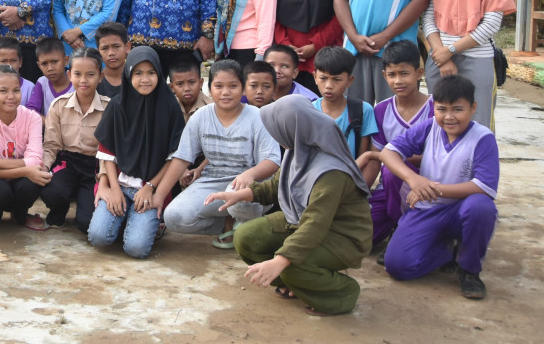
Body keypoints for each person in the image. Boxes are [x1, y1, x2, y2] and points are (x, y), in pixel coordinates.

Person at [213, 96, 373, 316]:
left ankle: (341, 294)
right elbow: (278, 184)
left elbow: (315, 224)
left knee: (292, 265)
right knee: (247, 238)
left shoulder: (331, 172)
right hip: (299, 220)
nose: (275, 134)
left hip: (341, 235)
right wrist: (242, 194)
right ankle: (300, 284)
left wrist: (281, 260)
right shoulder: (298, 148)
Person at [380, 75, 499, 300]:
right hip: (426, 209)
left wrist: (434, 189)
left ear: (473, 107)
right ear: (434, 107)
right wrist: (413, 179)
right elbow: (388, 152)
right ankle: (446, 251)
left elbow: (485, 186)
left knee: (481, 207)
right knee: (398, 266)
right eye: (442, 109)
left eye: (458, 109)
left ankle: (469, 269)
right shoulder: (430, 127)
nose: (449, 117)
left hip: (460, 210)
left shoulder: (483, 138)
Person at [154, 61, 281, 250]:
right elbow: (182, 158)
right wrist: (160, 194)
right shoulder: (201, 117)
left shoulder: (257, 117)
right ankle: (228, 225)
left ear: (243, 88)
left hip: (250, 185)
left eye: (233, 86)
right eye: (219, 86)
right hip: (212, 181)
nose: (225, 92)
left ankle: (249, 225)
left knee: (237, 198)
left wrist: (250, 174)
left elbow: (272, 161)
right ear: (210, 88)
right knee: (174, 217)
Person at [88, 47, 185, 259]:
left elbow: (174, 156)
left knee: (136, 249)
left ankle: (147, 224)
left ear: (159, 74)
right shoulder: (117, 105)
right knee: (98, 237)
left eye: (151, 73)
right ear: (128, 74)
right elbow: (107, 153)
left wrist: (150, 187)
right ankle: (130, 221)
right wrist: (113, 189)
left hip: (150, 188)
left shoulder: (170, 107)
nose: (145, 79)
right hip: (120, 185)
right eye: (138, 73)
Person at [422, 0, 515, 132]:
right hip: (439, 62)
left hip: (477, 59)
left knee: (478, 122)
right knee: (438, 123)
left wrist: (451, 50)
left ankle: (476, 167)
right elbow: (427, 19)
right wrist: (443, 57)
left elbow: (491, 25)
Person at [365, 40, 433, 260]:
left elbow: (440, 156)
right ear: (384, 76)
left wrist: (398, 160)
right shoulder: (382, 109)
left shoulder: (436, 108)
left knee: (391, 168)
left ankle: (399, 227)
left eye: (404, 73)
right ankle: (398, 223)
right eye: (392, 74)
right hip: (392, 189)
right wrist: (359, 190)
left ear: (419, 73)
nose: (398, 80)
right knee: (362, 240)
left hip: (428, 185)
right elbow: (376, 158)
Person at [0, 65, 51, 233]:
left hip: (18, 181)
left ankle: (20, 214)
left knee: (29, 185)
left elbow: (35, 161)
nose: (11, 97)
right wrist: (26, 170)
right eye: (3, 91)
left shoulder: (32, 118)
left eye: (16, 90)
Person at [39, 48, 107, 232]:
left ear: (101, 76)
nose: (83, 80)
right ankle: (59, 210)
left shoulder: (109, 108)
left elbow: (109, 152)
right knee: (51, 190)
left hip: (95, 166)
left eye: (90, 74)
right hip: (67, 161)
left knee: (87, 224)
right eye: (78, 74)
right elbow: (51, 144)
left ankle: (84, 201)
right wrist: (44, 168)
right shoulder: (59, 105)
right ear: (70, 75)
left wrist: (105, 179)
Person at [313, 47, 379, 181]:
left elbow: (363, 154)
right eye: (323, 78)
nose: (329, 86)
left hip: (351, 179)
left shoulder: (362, 110)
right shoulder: (309, 110)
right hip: (314, 179)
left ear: (350, 80)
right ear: (315, 77)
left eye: (337, 79)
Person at [0, 37, 36, 111]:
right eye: (4, 61)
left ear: (20, 62)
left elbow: (32, 114)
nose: (9, 65)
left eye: (13, 60)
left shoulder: (30, 87)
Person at [23, 37, 72, 116]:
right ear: (39, 65)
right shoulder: (42, 82)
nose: (50, 68)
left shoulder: (75, 83)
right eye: (44, 64)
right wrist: (49, 123)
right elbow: (31, 110)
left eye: (55, 61)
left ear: (66, 61)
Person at [170, 55, 211, 121]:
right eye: (180, 84)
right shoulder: (168, 108)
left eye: (191, 82)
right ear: (172, 87)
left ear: (201, 83)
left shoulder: (212, 108)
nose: (186, 88)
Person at [95, 22, 129, 98]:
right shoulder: (95, 81)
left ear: (127, 47)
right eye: (105, 48)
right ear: (98, 52)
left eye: (116, 46)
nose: (111, 53)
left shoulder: (136, 77)